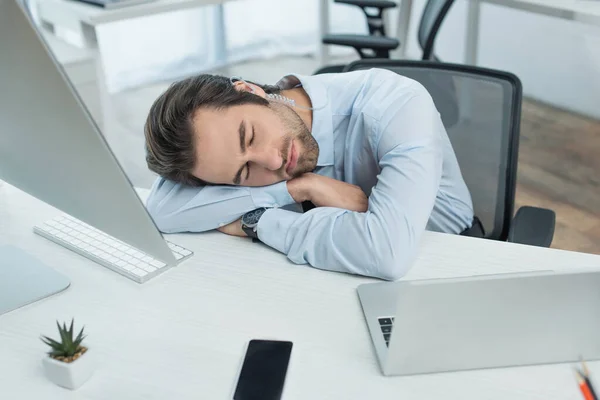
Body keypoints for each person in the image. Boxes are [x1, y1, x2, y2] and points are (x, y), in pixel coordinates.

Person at [143, 68, 474, 281]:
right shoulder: (261, 154)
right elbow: (161, 211)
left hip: (448, 255)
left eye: (251, 136)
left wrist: (256, 223)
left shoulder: (395, 103)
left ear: (250, 91)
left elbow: (386, 254)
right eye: (245, 171)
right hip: (343, 274)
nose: (272, 162)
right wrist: (295, 190)